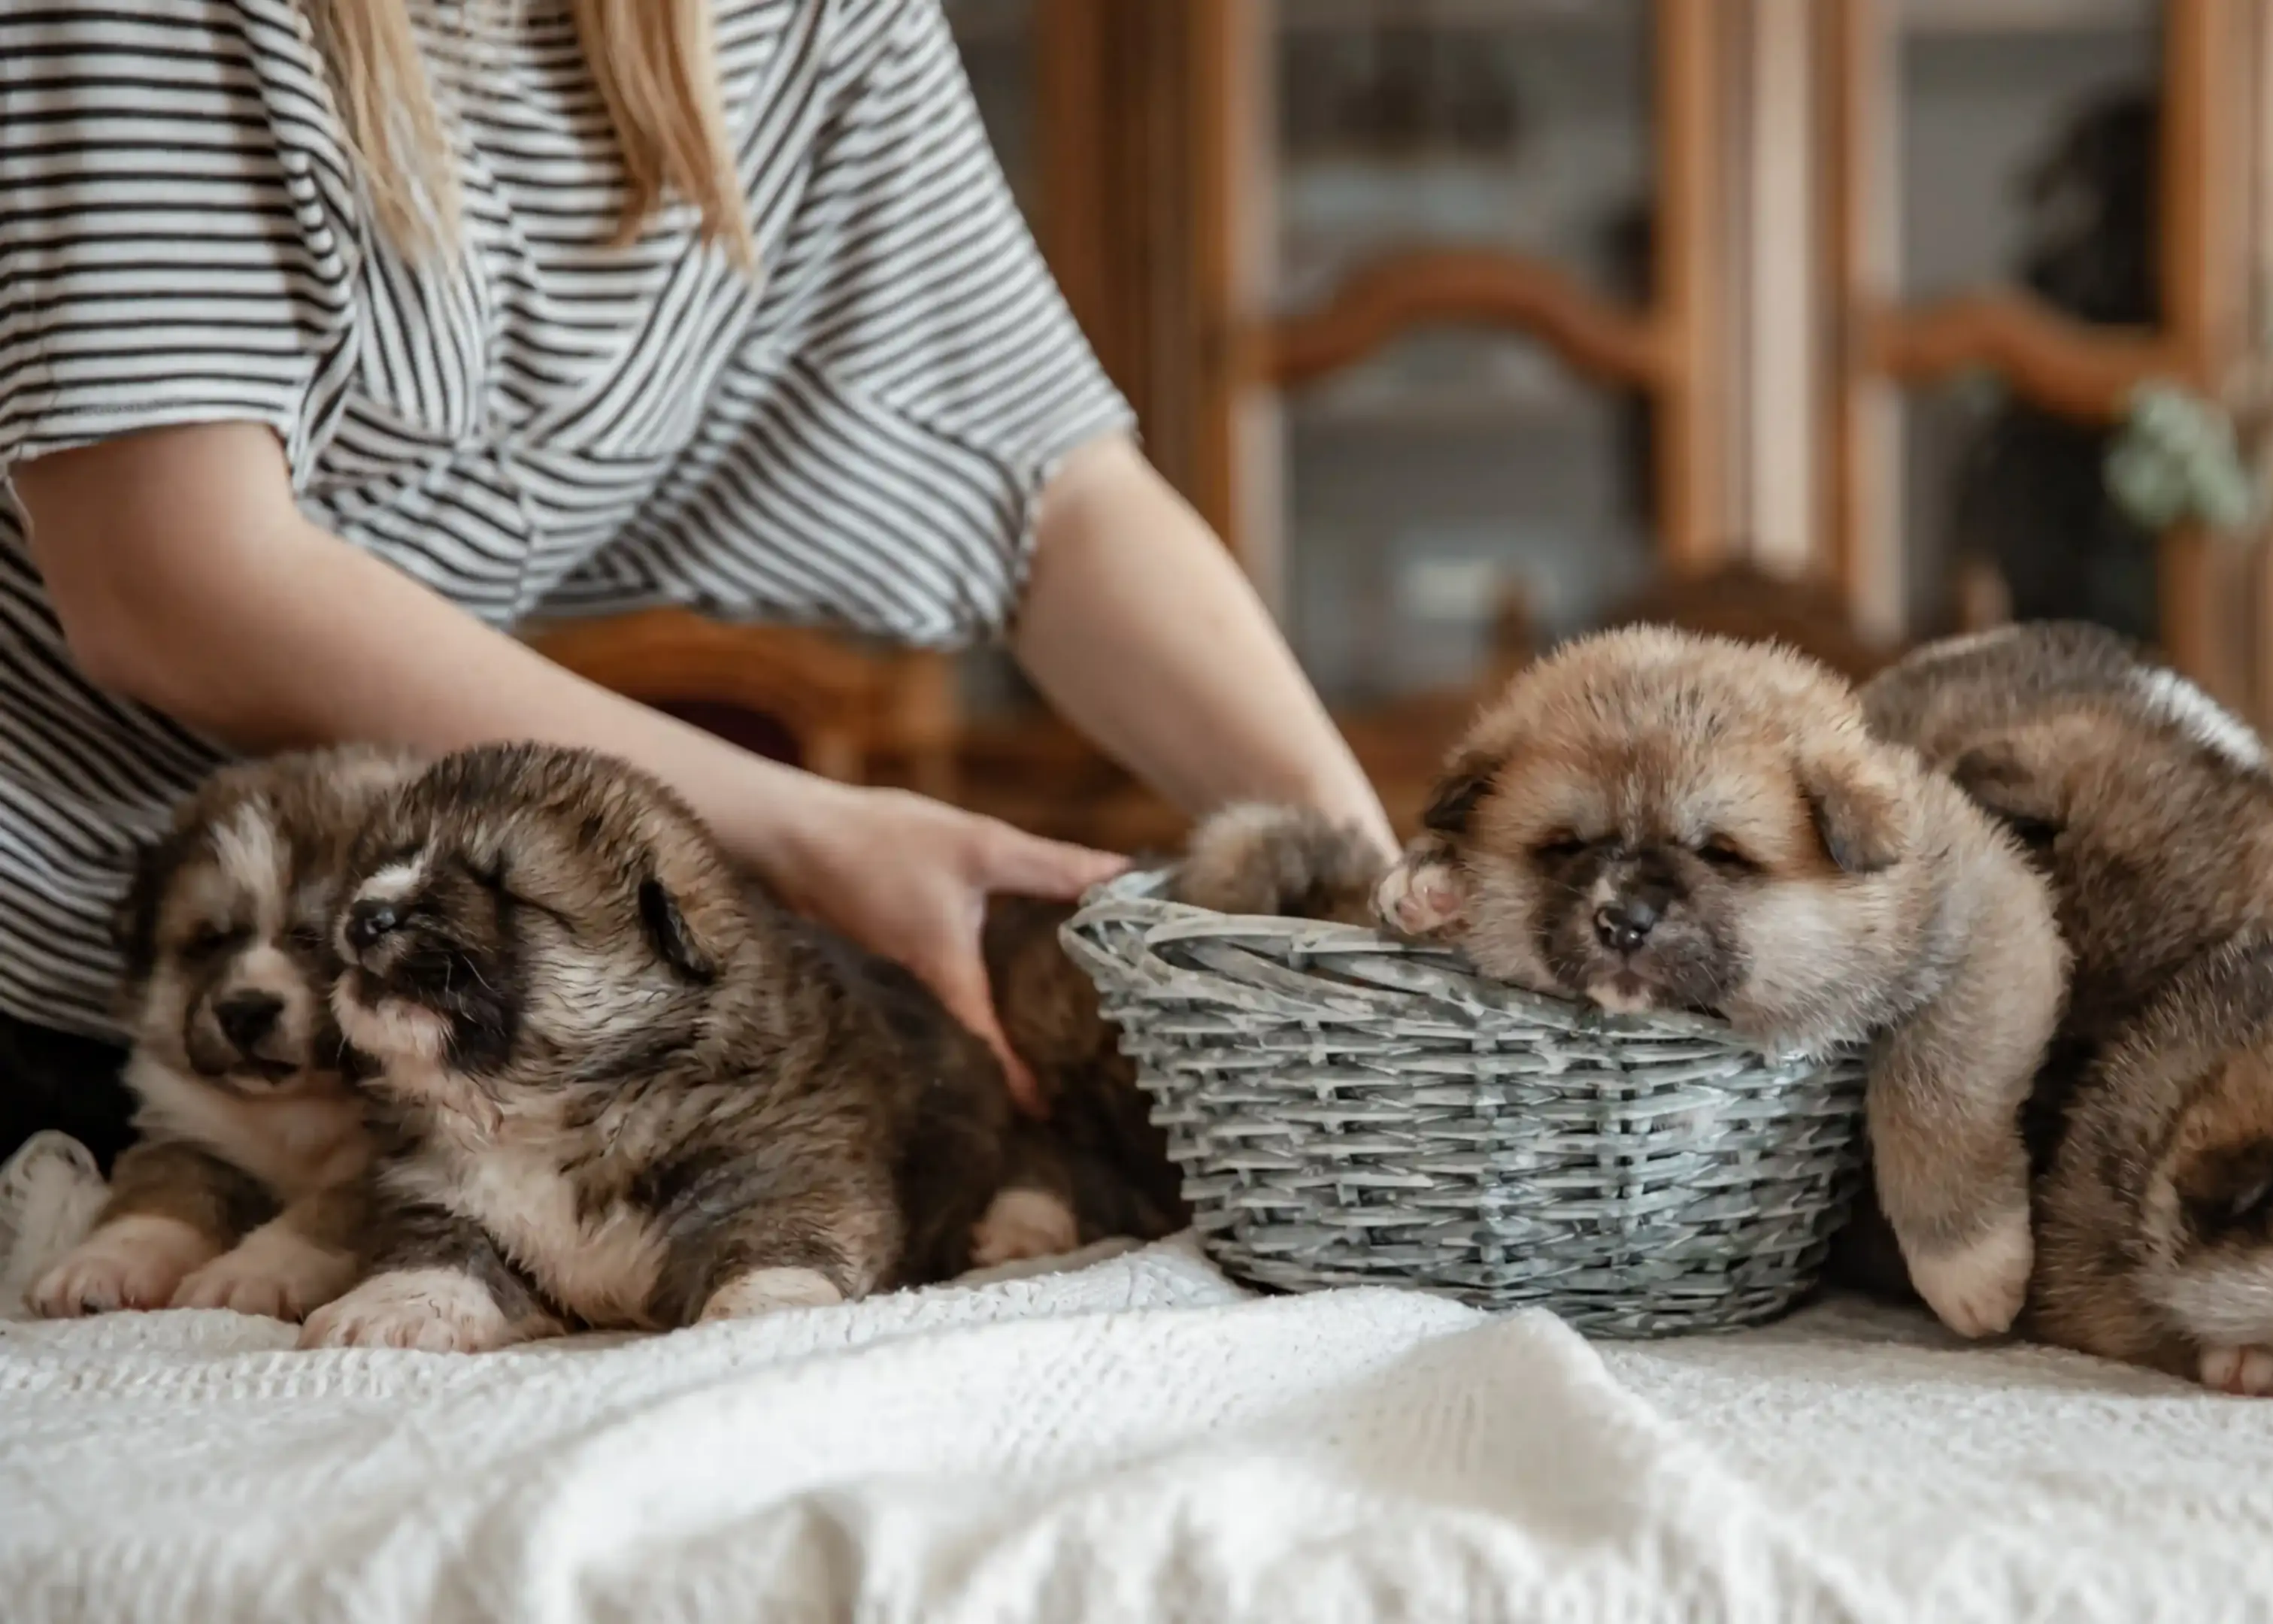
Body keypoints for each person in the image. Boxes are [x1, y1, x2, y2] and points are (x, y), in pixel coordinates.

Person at [0, 0, 1394, 1168]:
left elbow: (1054, 493)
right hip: (61, 1009)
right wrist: (807, 834)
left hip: (402, 1021)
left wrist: (1372, 896)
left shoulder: (798, 26)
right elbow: (174, 577)